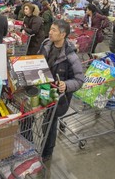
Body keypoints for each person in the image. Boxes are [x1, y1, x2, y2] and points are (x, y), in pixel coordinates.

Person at [39, 19, 84, 161]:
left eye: (53, 30)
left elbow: (79, 80)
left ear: (63, 34)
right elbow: (38, 61)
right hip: (44, 89)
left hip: (59, 97)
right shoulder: (46, 45)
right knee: (40, 121)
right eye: (50, 29)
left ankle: (47, 152)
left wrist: (66, 85)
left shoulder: (71, 57)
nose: (50, 32)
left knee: (49, 121)